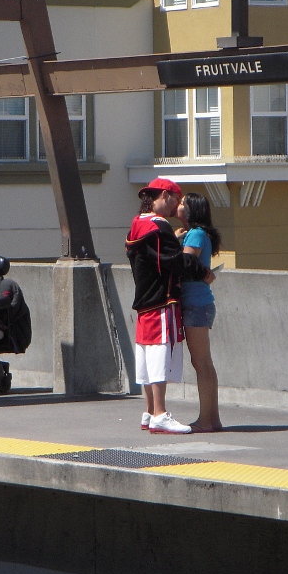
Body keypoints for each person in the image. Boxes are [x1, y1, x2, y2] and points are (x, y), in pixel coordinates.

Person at [125, 178, 212, 434]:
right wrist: (203, 272)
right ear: (164, 195)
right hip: (162, 299)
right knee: (159, 356)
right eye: (176, 199)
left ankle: (150, 411)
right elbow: (175, 261)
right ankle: (160, 414)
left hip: (143, 299)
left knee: (146, 356)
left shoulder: (137, 224)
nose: (177, 206)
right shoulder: (158, 226)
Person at [176, 192, 223, 432]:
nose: (178, 205)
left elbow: (186, 263)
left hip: (195, 303)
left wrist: (173, 242)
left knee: (201, 363)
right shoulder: (196, 233)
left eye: (183, 202)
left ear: (192, 209)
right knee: (204, 363)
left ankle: (206, 420)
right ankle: (212, 418)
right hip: (200, 303)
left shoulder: (195, 234)